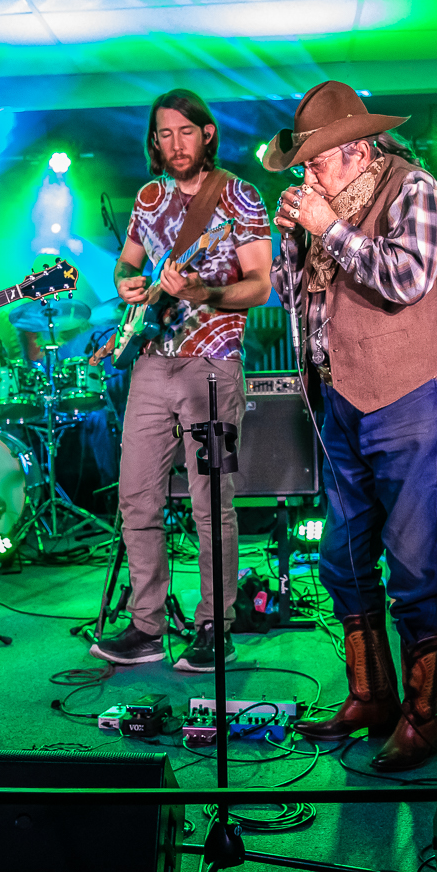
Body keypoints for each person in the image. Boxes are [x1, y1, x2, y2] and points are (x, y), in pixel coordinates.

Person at [269, 83, 437, 773]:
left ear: (354, 151)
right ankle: (371, 694)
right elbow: (292, 299)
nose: (305, 176)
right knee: (343, 557)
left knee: (414, 566)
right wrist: (295, 239)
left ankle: (422, 715)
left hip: (411, 394)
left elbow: (406, 278)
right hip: (338, 398)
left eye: (314, 163)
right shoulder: (317, 211)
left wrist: (327, 228)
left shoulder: (417, 190)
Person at [90, 89, 272, 673]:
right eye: (164, 135)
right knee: (135, 497)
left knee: (209, 503)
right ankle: (145, 628)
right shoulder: (149, 197)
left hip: (213, 362)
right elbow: (129, 262)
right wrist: (125, 281)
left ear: (208, 133)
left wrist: (206, 293)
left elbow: (261, 284)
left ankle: (215, 627)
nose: (174, 145)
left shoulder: (239, 196)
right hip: (151, 358)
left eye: (184, 133)